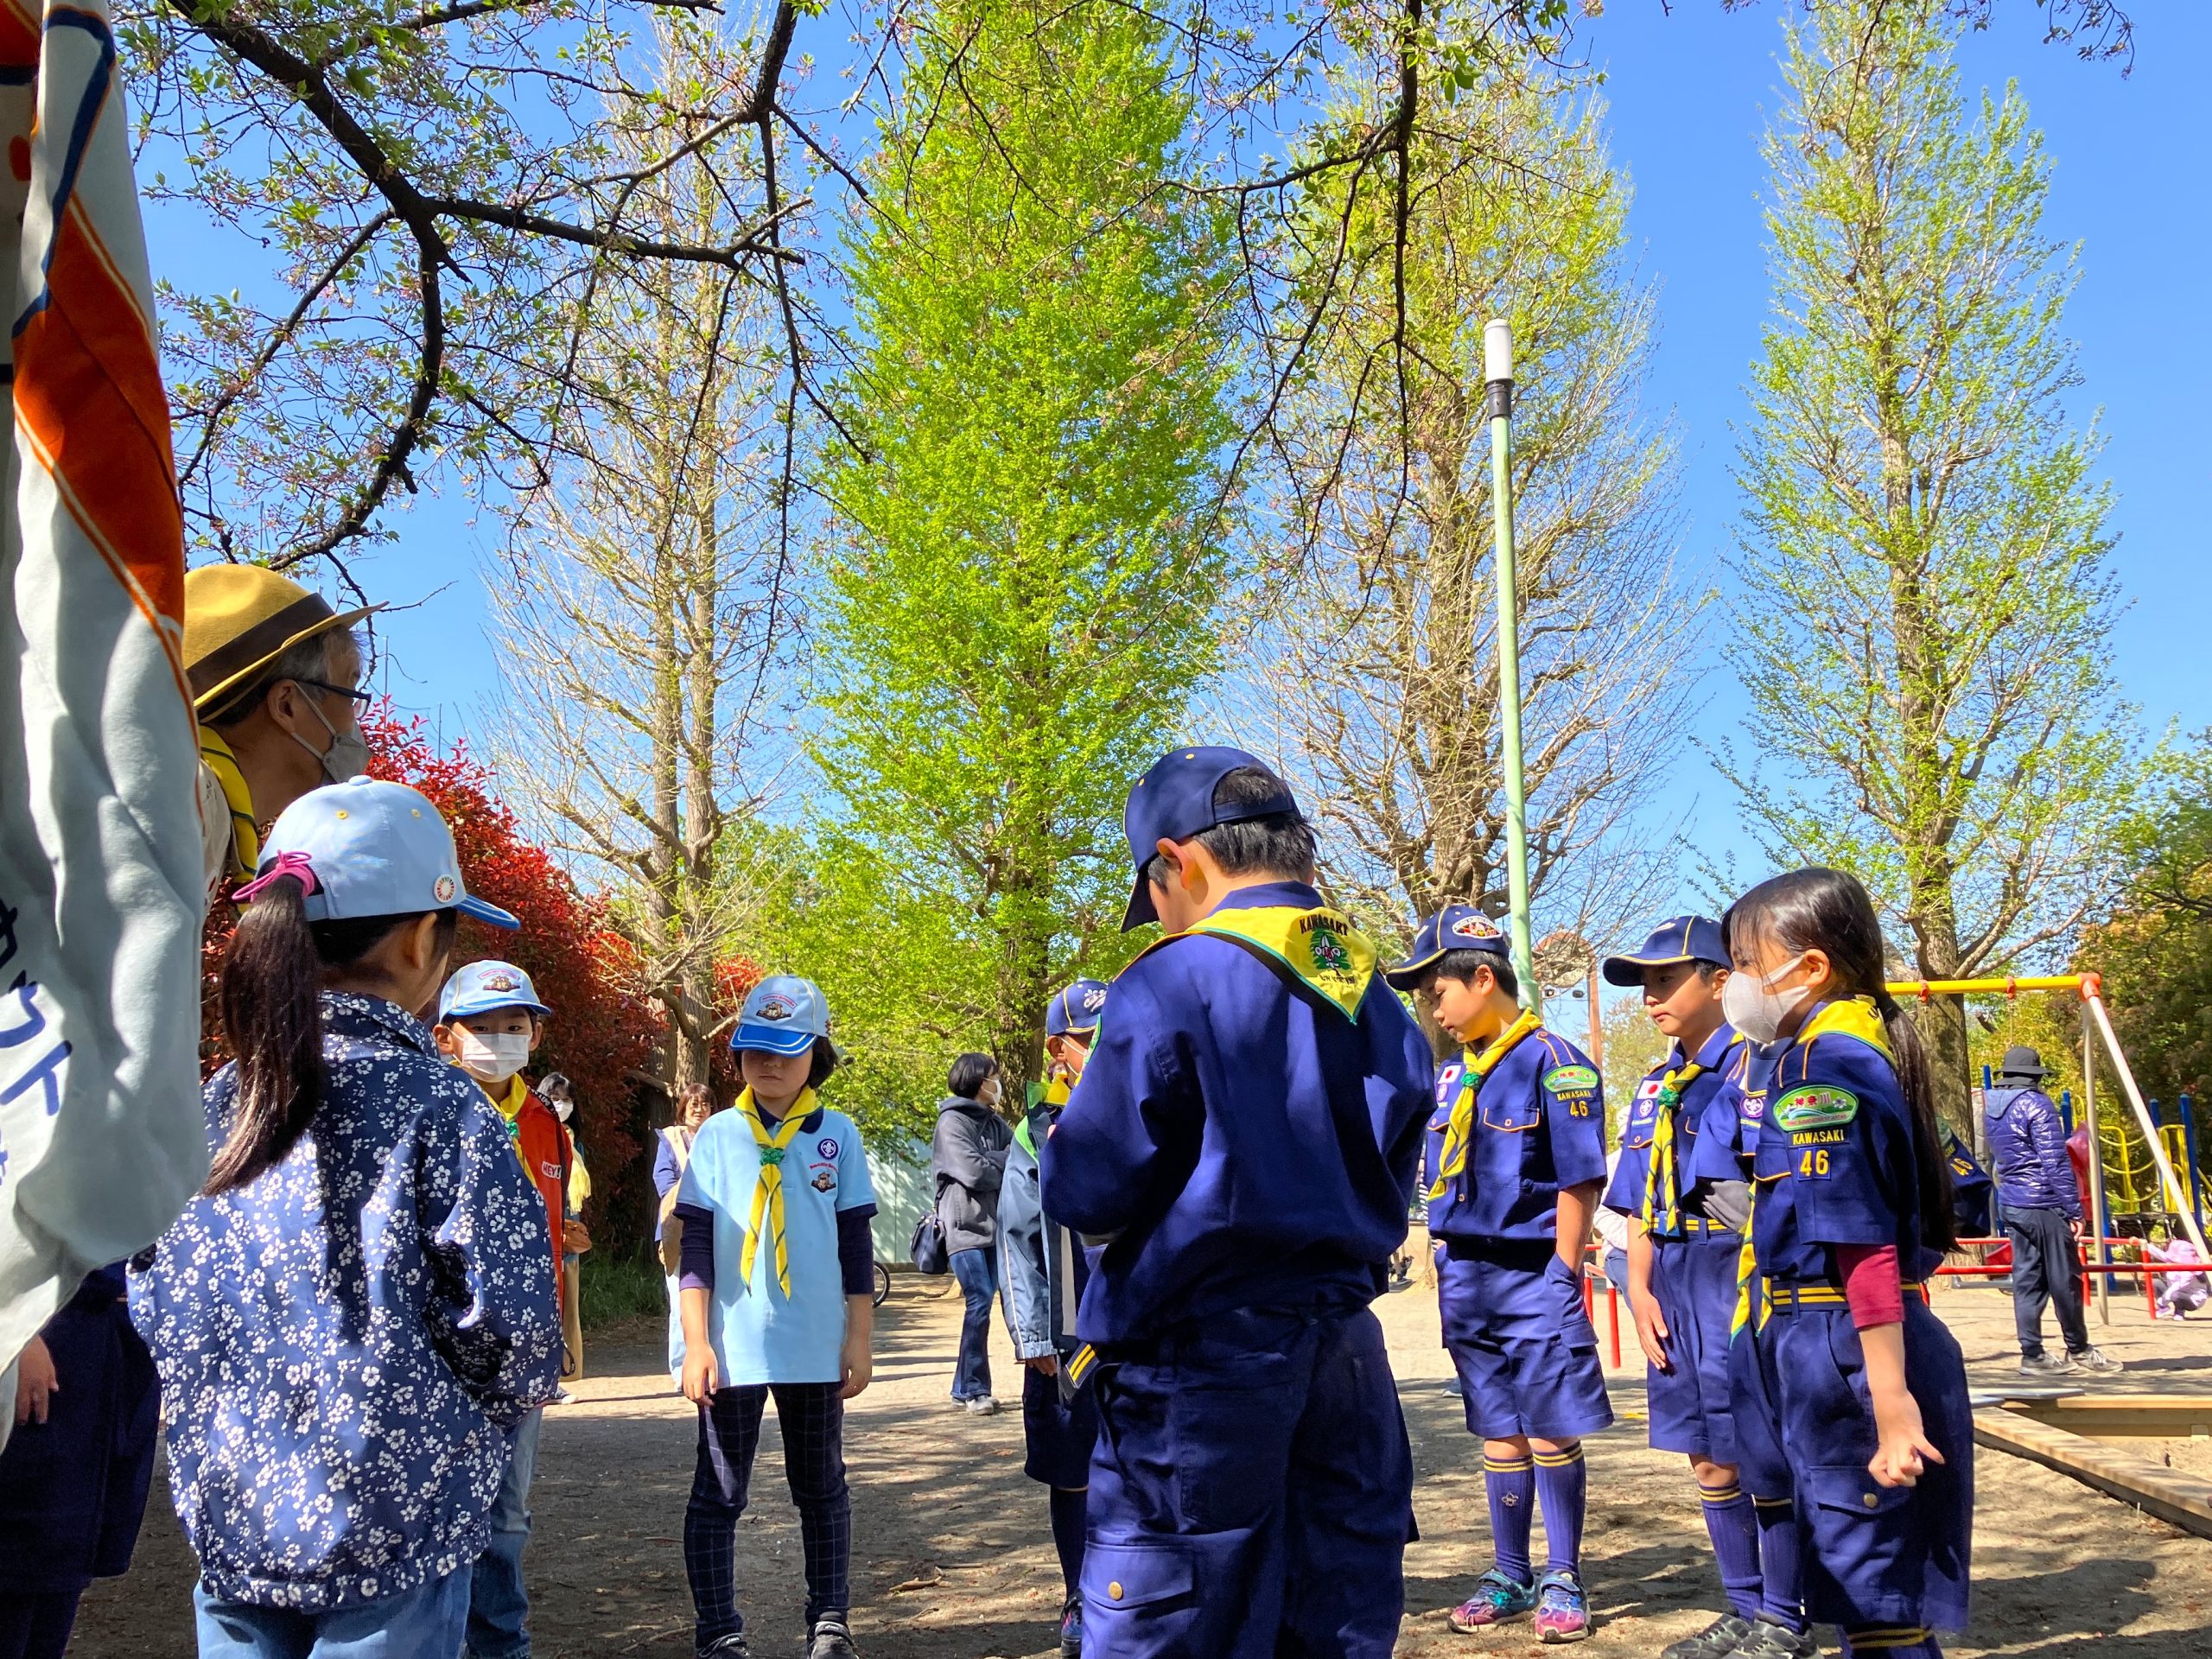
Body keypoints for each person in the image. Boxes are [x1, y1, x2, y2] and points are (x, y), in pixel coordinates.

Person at [130, 778, 560, 1656]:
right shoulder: (444, 1109)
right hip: (396, 1539)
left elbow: (157, 1298)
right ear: (415, 940)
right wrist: (470, 1424)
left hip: (235, 1525)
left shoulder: (215, 1105)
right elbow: (514, 1325)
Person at [1041, 747, 1433, 1659]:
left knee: (1177, 1620)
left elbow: (1088, 1186)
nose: (1163, 916)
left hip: (1200, 1364)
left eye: (1158, 891)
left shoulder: (1172, 979)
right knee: (1330, 1608)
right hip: (1344, 1351)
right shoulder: (1369, 991)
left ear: (1180, 862)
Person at [1721, 868, 1974, 1659]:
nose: (1734, 983)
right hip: (1830, 1337)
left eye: (1743, 962)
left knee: (1878, 1603)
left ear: (1811, 968)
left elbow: (1860, 1241)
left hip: (1850, 1345)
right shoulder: (1841, 1049)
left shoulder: (1821, 1067)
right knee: (1865, 1596)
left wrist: (1890, 1399)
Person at [1389, 904, 1611, 1643]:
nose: (1434, 1008)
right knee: (1497, 1430)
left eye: (1438, 992)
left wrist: (1562, 1269)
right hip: (1468, 1277)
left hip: (1532, 1271)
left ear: (1483, 978)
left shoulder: (1555, 1061)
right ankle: (1510, 1572)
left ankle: (1564, 1574)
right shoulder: (1453, 1076)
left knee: (1550, 1430)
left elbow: (1581, 1177)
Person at [1599, 918, 1801, 1659]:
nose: (1651, 998)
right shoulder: (1657, 1084)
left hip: (1738, 1275)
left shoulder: (1763, 1067)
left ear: (1721, 981)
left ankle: (1784, 1615)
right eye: (1645, 984)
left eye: (1665, 980)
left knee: (1758, 1446)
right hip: (1673, 1279)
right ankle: (1743, 1610)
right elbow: (1640, 1196)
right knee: (1705, 1450)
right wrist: (1640, 1291)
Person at [671, 977, 878, 1659]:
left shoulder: (838, 1136)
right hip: (731, 1346)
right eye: (754, 1048)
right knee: (719, 1493)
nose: (769, 1064)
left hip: (815, 1346)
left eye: (787, 1050)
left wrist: (860, 1337)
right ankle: (720, 1633)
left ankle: (830, 1623)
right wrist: (697, 1341)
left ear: (816, 1053)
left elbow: (855, 1247)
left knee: (820, 1487)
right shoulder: (718, 1137)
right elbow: (695, 1246)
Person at [432, 960, 582, 1659]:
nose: (499, 1039)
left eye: (514, 1027)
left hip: (522, 1350)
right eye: (482, 1028)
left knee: (507, 1516)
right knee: (437, 1510)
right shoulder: (429, 1108)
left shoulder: (546, 1121)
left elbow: (548, 1224)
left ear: (537, 1033)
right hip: (440, 1351)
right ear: (445, 1037)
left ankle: (501, 1645)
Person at [998, 978, 1109, 1659]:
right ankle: (1077, 1595)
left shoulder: (1155, 1106)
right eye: (1086, 1040)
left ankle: (1135, 1590)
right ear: (1056, 1050)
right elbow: (1014, 1237)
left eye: (1111, 1036)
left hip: (1145, 1331)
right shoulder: (1035, 1132)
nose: (1100, 1050)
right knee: (1075, 1468)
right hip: (1069, 1336)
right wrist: (1034, 1333)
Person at [182, 564, 381, 900]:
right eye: (350, 693)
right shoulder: (185, 807)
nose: (357, 724)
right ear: (287, 705)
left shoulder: (203, 812)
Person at [0, 1265, 159, 1659]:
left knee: (64, 1565)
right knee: (20, 1565)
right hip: (41, 1329)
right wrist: (16, 1329)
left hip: (107, 1338)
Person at [1982, 1045, 2118, 1376]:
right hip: (2042, 1201)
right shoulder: (2037, 1105)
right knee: (2064, 1278)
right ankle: (2079, 1349)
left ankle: (2032, 1353)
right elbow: (2054, 1161)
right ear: (2034, 1077)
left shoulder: (1991, 1107)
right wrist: (2074, 1210)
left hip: (2012, 1201)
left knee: (2027, 1278)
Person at [932, 1052, 1013, 1414]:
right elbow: (974, 1172)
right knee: (979, 1299)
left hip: (994, 1225)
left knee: (985, 1302)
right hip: (961, 1226)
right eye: (995, 1077)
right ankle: (975, 1389)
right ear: (980, 1082)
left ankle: (963, 1386)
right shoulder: (951, 1123)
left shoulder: (995, 1123)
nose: (999, 1083)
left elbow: (1023, 1156)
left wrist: (997, 1160)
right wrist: (1001, 1159)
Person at [658, 1084, 721, 1382]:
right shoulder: (670, 1139)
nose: (699, 1109)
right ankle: (681, 1368)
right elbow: (664, 1181)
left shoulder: (723, 1137)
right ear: (683, 1108)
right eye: (693, 1104)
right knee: (681, 1298)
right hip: (677, 1228)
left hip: (719, 1228)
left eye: (705, 1104)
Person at [540, 1073, 591, 1389]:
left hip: (568, 1235)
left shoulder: (574, 1139)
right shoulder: (537, 1132)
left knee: (568, 1306)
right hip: (543, 1236)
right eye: (556, 1098)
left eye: (568, 1099)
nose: (562, 1105)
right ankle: (545, 1377)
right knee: (547, 1305)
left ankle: (566, 1371)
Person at [2143, 1229, 2209, 1319]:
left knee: (2175, 1294)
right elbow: (2160, 1254)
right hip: (2175, 1292)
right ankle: (2167, 1308)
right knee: (2155, 1283)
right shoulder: (2173, 1261)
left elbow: (2177, 1287)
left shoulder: (2192, 1271)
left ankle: (2178, 1312)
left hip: (2192, 1299)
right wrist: (2143, 1244)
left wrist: (2161, 1303)